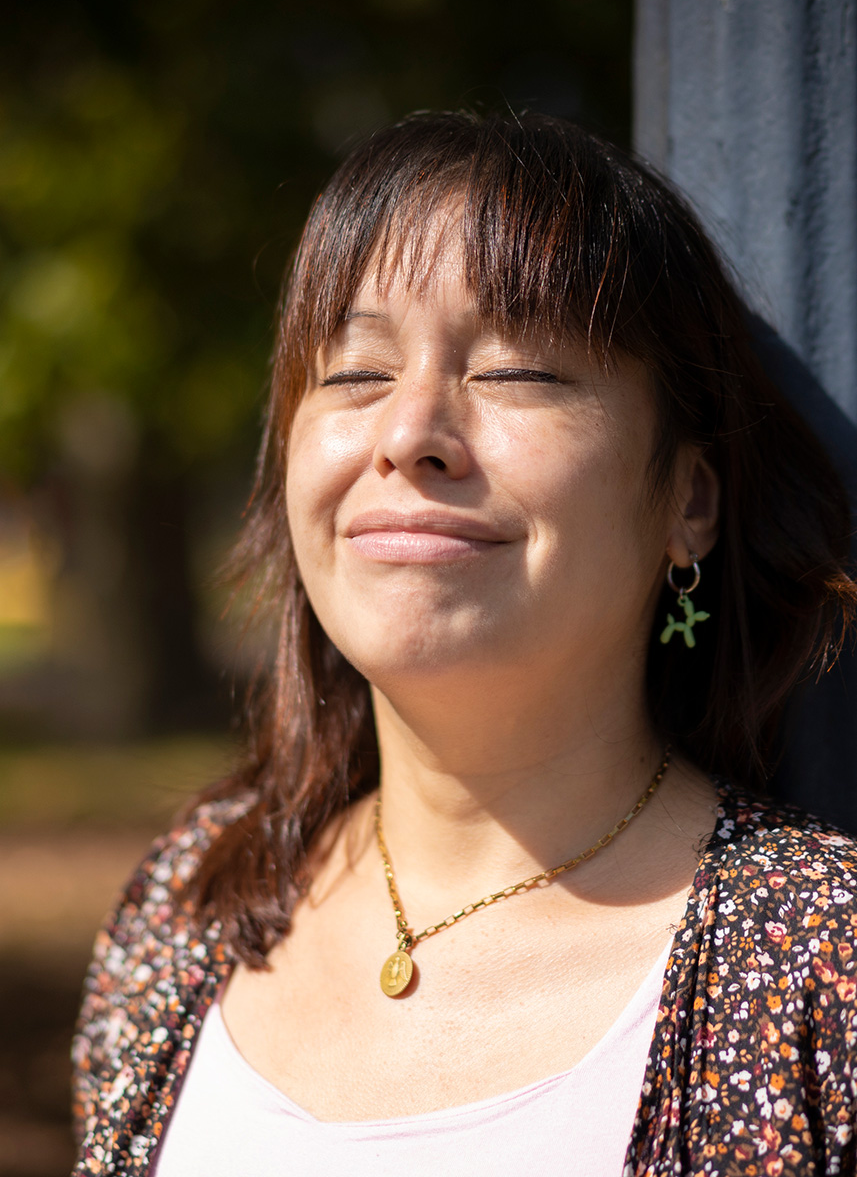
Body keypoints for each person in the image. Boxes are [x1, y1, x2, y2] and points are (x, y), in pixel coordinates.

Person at [71, 111, 857, 1176]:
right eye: (353, 372)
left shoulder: (820, 959)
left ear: (688, 499)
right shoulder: (188, 902)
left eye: (517, 371)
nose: (408, 436)